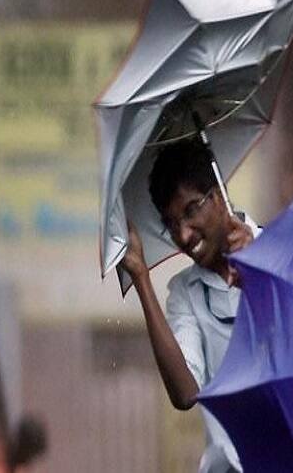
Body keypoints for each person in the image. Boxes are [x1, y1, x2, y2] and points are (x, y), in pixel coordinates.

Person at [120, 139, 256, 473]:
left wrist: (264, 271)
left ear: (218, 195)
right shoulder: (186, 294)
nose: (183, 235)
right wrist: (141, 278)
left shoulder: (283, 249)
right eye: (170, 223)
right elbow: (184, 394)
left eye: (190, 211)